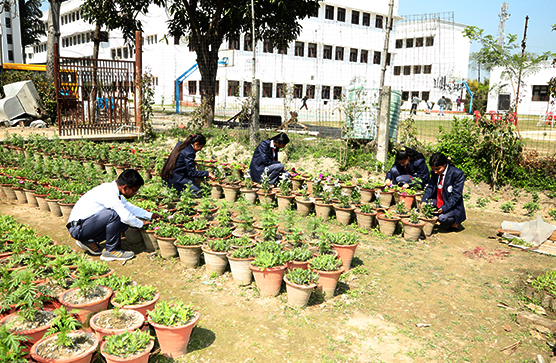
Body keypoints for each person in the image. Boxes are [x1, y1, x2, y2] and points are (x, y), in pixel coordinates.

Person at [67, 169, 159, 261]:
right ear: (125, 187)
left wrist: (149, 215)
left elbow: (128, 207)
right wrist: (140, 223)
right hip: (78, 228)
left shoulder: (114, 191)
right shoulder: (108, 192)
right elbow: (126, 217)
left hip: (84, 226)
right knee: (113, 215)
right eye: (134, 190)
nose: (135, 193)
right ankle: (111, 251)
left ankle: (89, 241)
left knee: (121, 222)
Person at [420, 153, 466, 232]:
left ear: (445, 165)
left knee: (443, 218)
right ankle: (438, 217)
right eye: (433, 169)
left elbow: (456, 196)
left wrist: (444, 208)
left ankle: (454, 222)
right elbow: (430, 186)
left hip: (452, 205)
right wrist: (424, 200)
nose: (435, 172)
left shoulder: (457, 174)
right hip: (439, 199)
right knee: (427, 205)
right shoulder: (436, 172)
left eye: (438, 169)